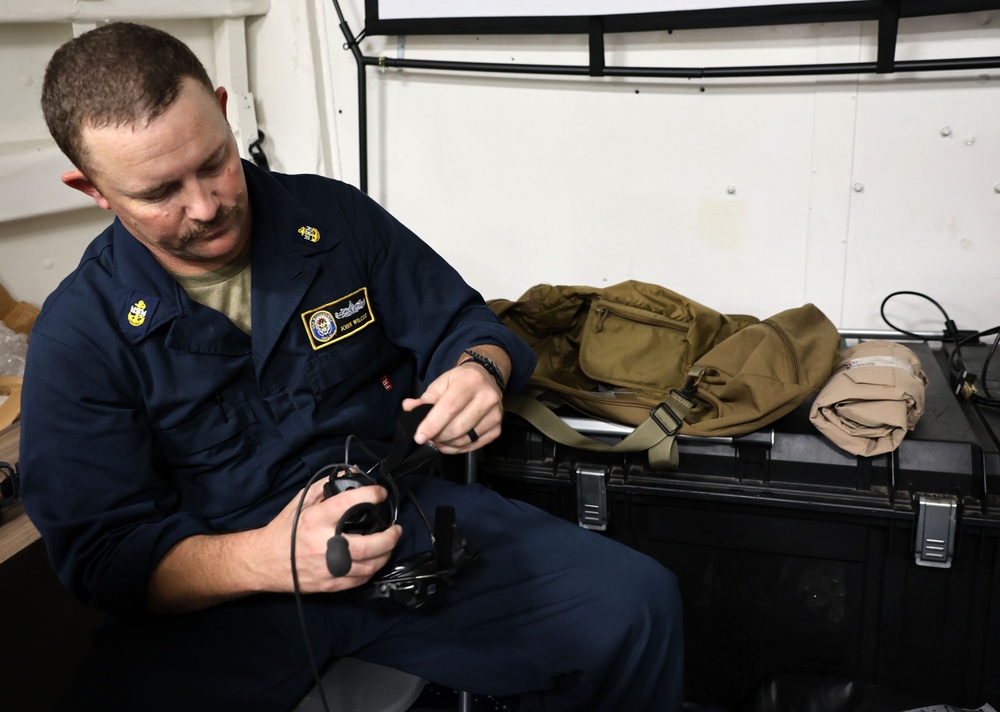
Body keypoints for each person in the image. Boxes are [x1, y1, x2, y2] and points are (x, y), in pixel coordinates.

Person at [20, 21, 684, 712]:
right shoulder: (79, 335)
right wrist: (265, 559)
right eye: (160, 193)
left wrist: (479, 372)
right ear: (91, 187)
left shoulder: (333, 218)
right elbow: (104, 557)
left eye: (215, 161)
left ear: (222, 107)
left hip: (399, 522)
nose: (208, 206)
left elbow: (468, 326)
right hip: (228, 583)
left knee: (635, 607)